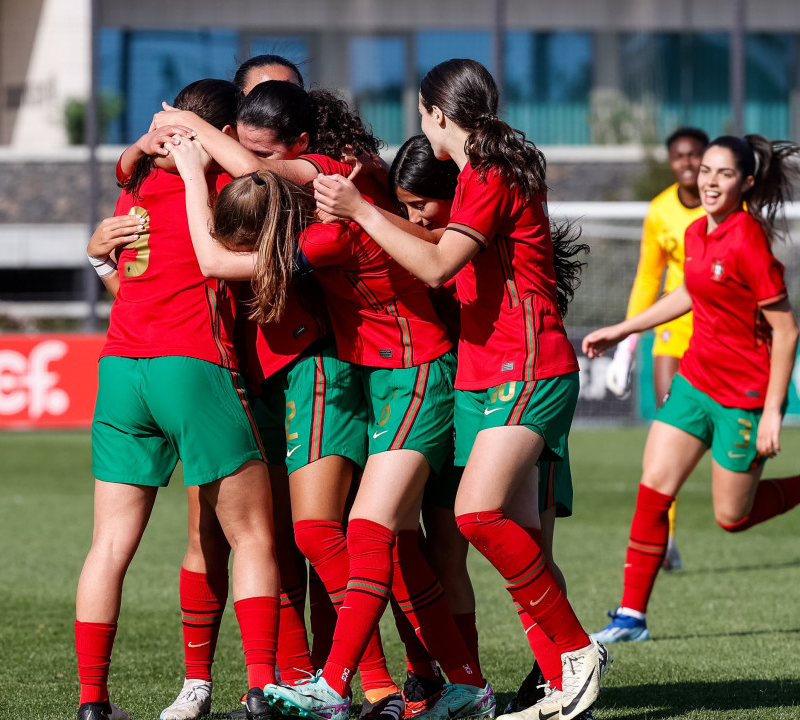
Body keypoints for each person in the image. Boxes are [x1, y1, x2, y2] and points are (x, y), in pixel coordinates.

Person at [313, 58, 610, 720]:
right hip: (491, 370)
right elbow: (444, 252)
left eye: (421, 113)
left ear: (436, 115)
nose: (419, 123)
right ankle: (567, 686)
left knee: (478, 516)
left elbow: (440, 263)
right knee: (520, 539)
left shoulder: (489, 172)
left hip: (526, 366)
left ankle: (577, 652)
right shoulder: (484, 171)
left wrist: (360, 209)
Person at [171, 134, 494, 720]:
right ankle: (465, 685)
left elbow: (215, 261)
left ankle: (340, 685)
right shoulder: (331, 203)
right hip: (390, 380)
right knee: (392, 545)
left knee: (365, 532)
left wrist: (194, 173)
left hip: (417, 372)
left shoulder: (327, 238)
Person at [581, 135, 800, 645]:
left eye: (724, 173)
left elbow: (787, 330)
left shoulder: (750, 241)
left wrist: (772, 413)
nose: (709, 180)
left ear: (746, 183)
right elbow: (688, 291)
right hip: (695, 381)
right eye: (706, 170)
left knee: (733, 517)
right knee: (653, 489)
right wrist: (625, 330)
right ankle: (630, 617)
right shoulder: (695, 232)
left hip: (744, 396)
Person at [114, 58, 316, 720]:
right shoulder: (171, 178)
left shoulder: (286, 177)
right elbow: (137, 266)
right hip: (225, 375)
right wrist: (98, 250)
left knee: (303, 535)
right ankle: (205, 682)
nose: (256, 128)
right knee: (216, 535)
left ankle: (316, 679)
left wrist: (187, 137)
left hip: (300, 374)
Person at [74, 79, 280, 720]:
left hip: (120, 371)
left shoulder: (134, 188)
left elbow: (124, 275)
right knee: (252, 537)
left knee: (108, 544)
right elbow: (263, 181)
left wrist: (143, 148)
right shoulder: (221, 190)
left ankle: (93, 703)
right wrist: (196, 146)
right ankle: (260, 692)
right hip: (190, 367)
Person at [374, 134, 589, 716]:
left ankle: (570, 663)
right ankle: (547, 682)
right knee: (505, 546)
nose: (415, 217)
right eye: (407, 208)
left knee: (516, 540)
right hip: (480, 389)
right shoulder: (461, 229)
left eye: (423, 205)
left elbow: (440, 266)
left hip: (524, 382)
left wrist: (361, 211)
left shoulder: (485, 210)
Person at [595, 127, 709, 589]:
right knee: (668, 428)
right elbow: (648, 280)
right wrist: (628, 343)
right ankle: (666, 536)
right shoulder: (660, 210)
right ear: (671, 161)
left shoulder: (726, 203)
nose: (687, 164)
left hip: (717, 332)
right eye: (679, 156)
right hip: (671, 330)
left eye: (694, 156)